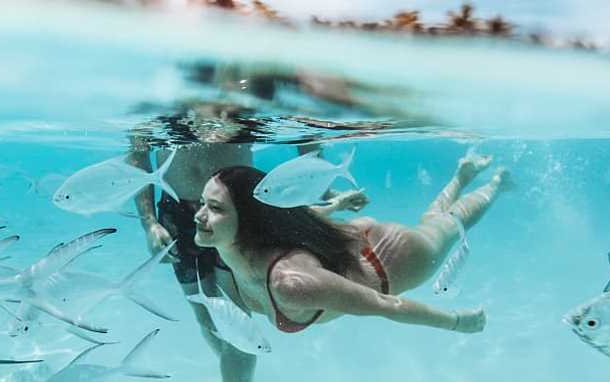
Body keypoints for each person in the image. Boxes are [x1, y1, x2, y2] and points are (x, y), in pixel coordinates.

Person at [126, 103, 368, 382]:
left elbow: (303, 129)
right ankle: (236, 366)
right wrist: (149, 222)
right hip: (177, 214)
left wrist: (322, 187)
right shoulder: (163, 107)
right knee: (204, 313)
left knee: (236, 325)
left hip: (236, 214)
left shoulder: (234, 103)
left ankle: (237, 364)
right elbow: (138, 156)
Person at [192, 153, 512, 335]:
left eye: (215, 208)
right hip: (351, 240)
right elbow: (290, 219)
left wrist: (456, 322)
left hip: (391, 258)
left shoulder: (289, 283)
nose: (198, 216)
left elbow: (386, 305)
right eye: (203, 203)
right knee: (435, 221)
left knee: (450, 224)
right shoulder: (237, 251)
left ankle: (496, 184)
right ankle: (462, 174)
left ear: (248, 220)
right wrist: (336, 205)